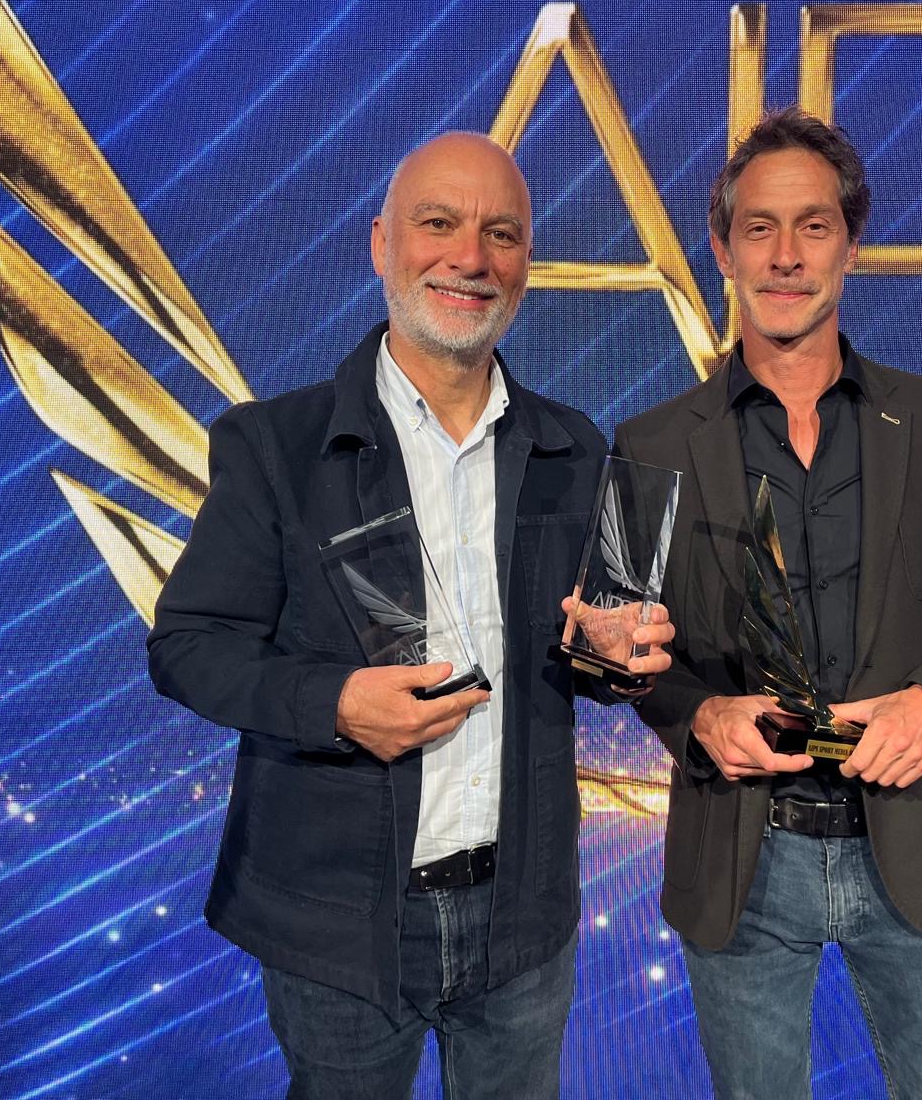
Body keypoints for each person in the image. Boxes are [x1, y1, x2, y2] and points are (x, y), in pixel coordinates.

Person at [147, 131, 671, 1099]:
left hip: (523, 924)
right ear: (381, 244)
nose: (470, 257)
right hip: (339, 931)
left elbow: (581, 649)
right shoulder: (275, 446)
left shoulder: (571, 445)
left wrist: (610, 657)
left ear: (525, 264)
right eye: (438, 224)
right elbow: (187, 647)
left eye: (500, 234)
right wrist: (334, 704)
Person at [613, 106, 922, 1100]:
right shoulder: (649, 443)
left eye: (813, 226)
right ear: (722, 247)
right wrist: (697, 716)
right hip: (740, 859)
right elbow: (623, 653)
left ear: (851, 243)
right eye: (758, 228)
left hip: (910, 845)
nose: (785, 256)